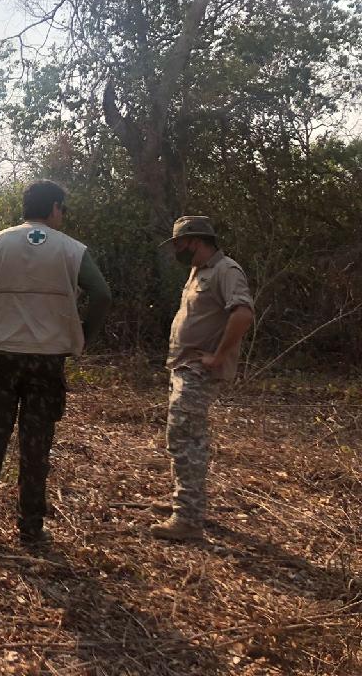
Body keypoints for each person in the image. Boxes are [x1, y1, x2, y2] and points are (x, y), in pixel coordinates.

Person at [0, 180, 112, 546]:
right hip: (47, 362)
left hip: (2, 358)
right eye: (62, 209)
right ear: (54, 208)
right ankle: (31, 529)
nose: (63, 215)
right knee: (36, 445)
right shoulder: (72, 249)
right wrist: (83, 334)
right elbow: (102, 294)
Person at [152, 216, 254, 541]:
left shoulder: (226, 270)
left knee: (185, 441)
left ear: (195, 240)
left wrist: (219, 356)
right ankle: (185, 506)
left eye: (180, 244)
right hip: (184, 368)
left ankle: (188, 520)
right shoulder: (198, 271)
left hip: (199, 371)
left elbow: (243, 313)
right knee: (183, 438)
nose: (177, 250)